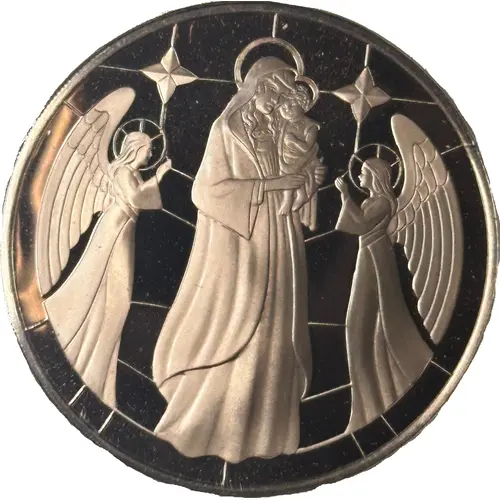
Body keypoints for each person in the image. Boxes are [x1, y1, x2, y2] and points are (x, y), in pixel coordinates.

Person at [152, 57, 326, 463]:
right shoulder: (225, 130)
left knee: (276, 324)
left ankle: (268, 434)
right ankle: (203, 423)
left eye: (283, 93)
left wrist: (308, 184)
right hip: (238, 241)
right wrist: (271, 184)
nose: (278, 99)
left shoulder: (282, 130)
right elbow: (206, 191)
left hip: (281, 237)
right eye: (273, 90)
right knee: (235, 319)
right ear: (255, 87)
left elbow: (293, 192)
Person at [44, 132, 170, 408]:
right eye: (148, 149)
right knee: (112, 297)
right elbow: (136, 199)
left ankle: (99, 374)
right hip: (114, 232)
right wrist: (159, 177)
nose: (150, 154)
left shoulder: (131, 173)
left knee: (116, 301)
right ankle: (80, 350)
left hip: (124, 231)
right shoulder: (122, 171)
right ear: (135, 148)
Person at [335, 158, 433, 433]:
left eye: (363, 173)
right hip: (368, 258)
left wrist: (344, 194)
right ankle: (369, 404)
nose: (359, 177)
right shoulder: (373, 201)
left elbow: (358, 225)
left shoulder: (382, 203)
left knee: (372, 323)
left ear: (376, 176)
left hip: (376, 264)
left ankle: (385, 395)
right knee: (361, 327)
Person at [277, 84, 320, 216]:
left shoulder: (310, 126)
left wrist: (295, 141)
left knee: (291, 176)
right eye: (283, 107)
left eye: (291, 106)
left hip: (301, 160)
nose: (287, 110)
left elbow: (307, 148)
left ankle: (288, 199)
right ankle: (300, 195)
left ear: (303, 105)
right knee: (287, 175)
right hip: (284, 158)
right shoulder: (283, 124)